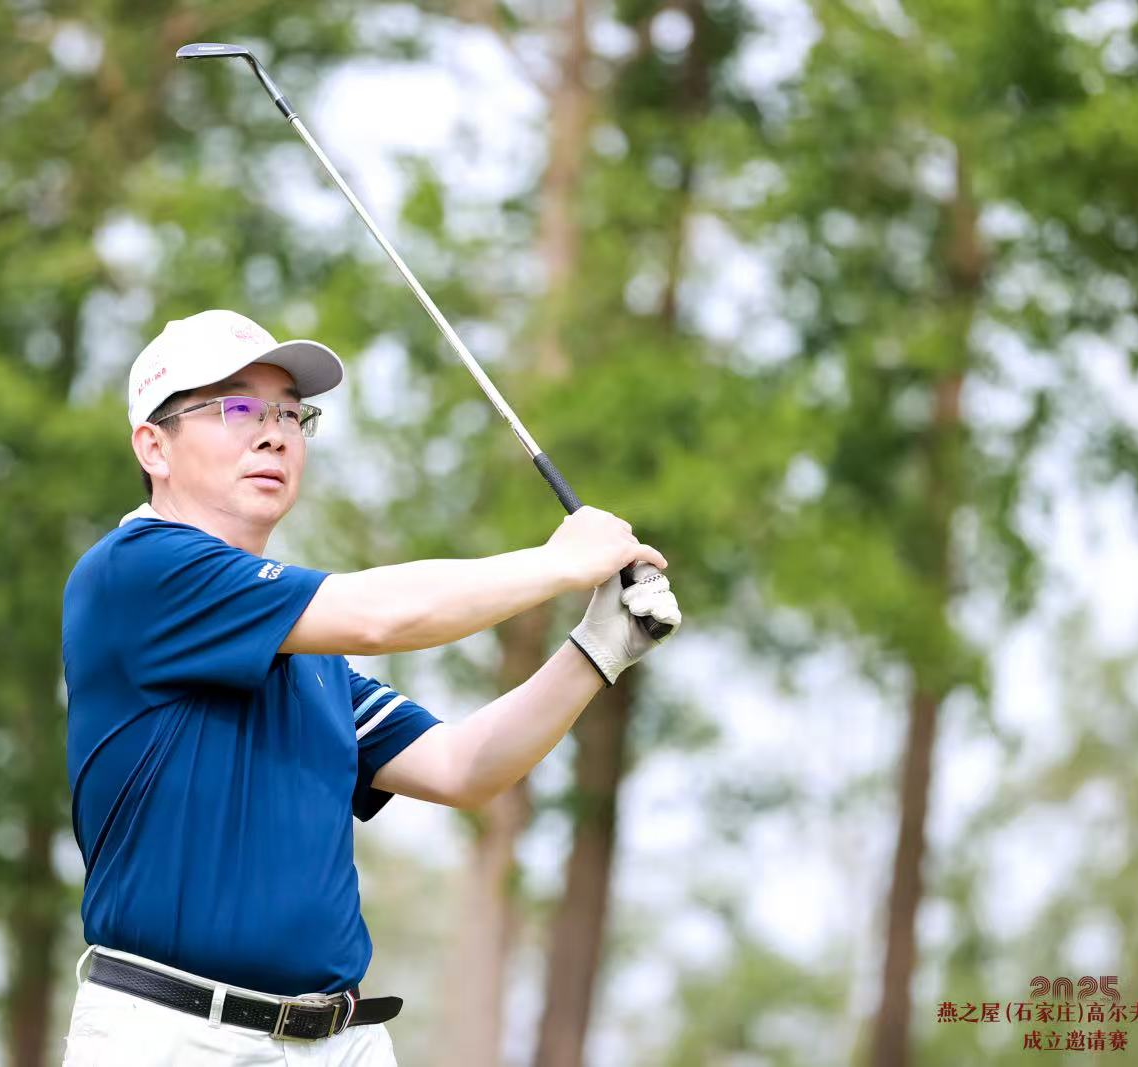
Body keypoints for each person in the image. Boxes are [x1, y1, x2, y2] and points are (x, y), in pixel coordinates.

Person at [60, 309, 681, 1065]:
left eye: (290, 414)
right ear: (153, 446)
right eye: (238, 408)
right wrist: (558, 563)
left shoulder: (310, 652)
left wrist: (595, 651)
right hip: (177, 1033)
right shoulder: (138, 570)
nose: (274, 434)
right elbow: (386, 616)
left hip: (340, 1041)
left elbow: (461, 767)